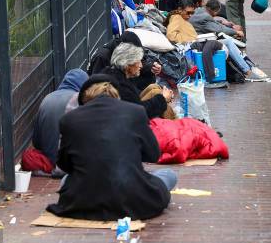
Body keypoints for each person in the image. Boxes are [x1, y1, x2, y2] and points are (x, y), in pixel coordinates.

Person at [46, 75, 176, 221]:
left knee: (66, 181)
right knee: (169, 175)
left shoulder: (69, 119)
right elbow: (153, 154)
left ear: (84, 99)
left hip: (84, 201)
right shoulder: (136, 112)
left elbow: (64, 165)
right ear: (116, 95)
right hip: (131, 197)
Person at [167, 0, 266, 80]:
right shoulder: (176, 18)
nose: (190, 16)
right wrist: (190, 40)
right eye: (188, 13)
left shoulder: (184, 18)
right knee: (227, 42)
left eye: (192, 13)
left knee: (228, 42)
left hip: (198, 43)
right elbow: (171, 35)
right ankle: (246, 69)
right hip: (194, 45)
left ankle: (245, 68)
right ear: (180, 10)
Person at [32, 69, 88, 169]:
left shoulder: (47, 98)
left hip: (48, 161)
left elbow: (36, 141)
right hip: (71, 162)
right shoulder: (80, 99)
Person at [101, 43, 175, 119]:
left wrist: (164, 96)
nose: (141, 65)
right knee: (156, 94)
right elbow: (139, 113)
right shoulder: (121, 87)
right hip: (123, 122)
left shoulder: (115, 73)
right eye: (138, 62)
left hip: (124, 114)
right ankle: (175, 125)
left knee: (154, 87)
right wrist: (163, 98)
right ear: (128, 65)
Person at [88, 31, 162, 92]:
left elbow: (140, 63)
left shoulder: (124, 50)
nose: (140, 64)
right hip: (110, 90)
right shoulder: (102, 57)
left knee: (149, 78)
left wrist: (151, 67)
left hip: (122, 81)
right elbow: (97, 86)